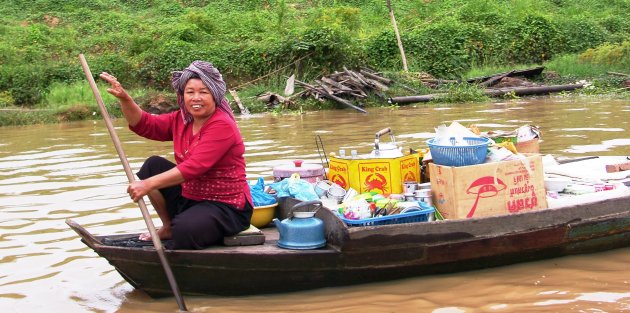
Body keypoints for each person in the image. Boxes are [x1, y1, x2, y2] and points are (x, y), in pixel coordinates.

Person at [100, 61, 253, 250]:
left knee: (185, 230)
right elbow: (145, 124)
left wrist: (147, 185)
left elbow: (195, 166)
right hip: (191, 197)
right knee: (152, 165)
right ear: (183, 95)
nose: (196, 98)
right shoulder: (181, 119)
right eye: (190, 92)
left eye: (203, 92)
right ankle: (168, 226)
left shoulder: (222, 125)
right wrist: (125, 99)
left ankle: (179, 228)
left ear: (215, 95)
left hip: (225, 206)